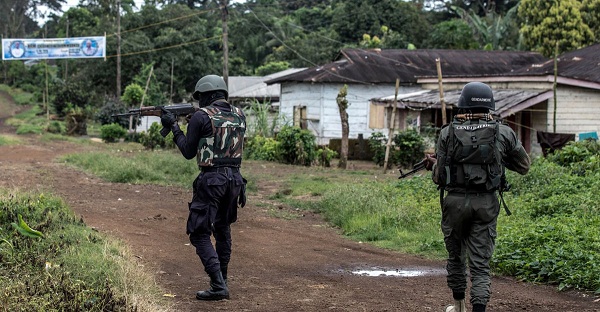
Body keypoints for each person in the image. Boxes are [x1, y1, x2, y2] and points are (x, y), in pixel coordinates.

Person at [424, 82, 530, 312]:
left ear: (462, 105)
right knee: (480, 265)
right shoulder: (503, 131)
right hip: (486, 203)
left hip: (454, 204)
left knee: (455, 258)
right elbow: (524, 166)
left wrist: (433, 165)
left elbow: (439, 177)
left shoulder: (447, 132)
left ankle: (458, 307)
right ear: (490, 105)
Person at [160, 74, 247, 301]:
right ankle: (222, 280)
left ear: (207, 94)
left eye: (201, 98)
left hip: (212, 180)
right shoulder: (240, 115)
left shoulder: (201, 116)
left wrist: (174, 127)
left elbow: (189, 152)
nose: (199, 103)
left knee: (199, 233)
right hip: (235, 180)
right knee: (222, 229)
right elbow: (224, 143)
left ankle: (218, 286)